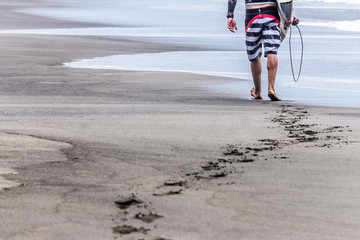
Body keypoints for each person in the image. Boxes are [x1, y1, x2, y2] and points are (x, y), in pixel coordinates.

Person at [227, 0, 293, 101]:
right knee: (272, 51)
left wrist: (230, 15)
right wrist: (289, 14)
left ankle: (258, 91)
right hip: (270, 14)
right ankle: (271, 88)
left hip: (252, 16)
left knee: (254, 56)